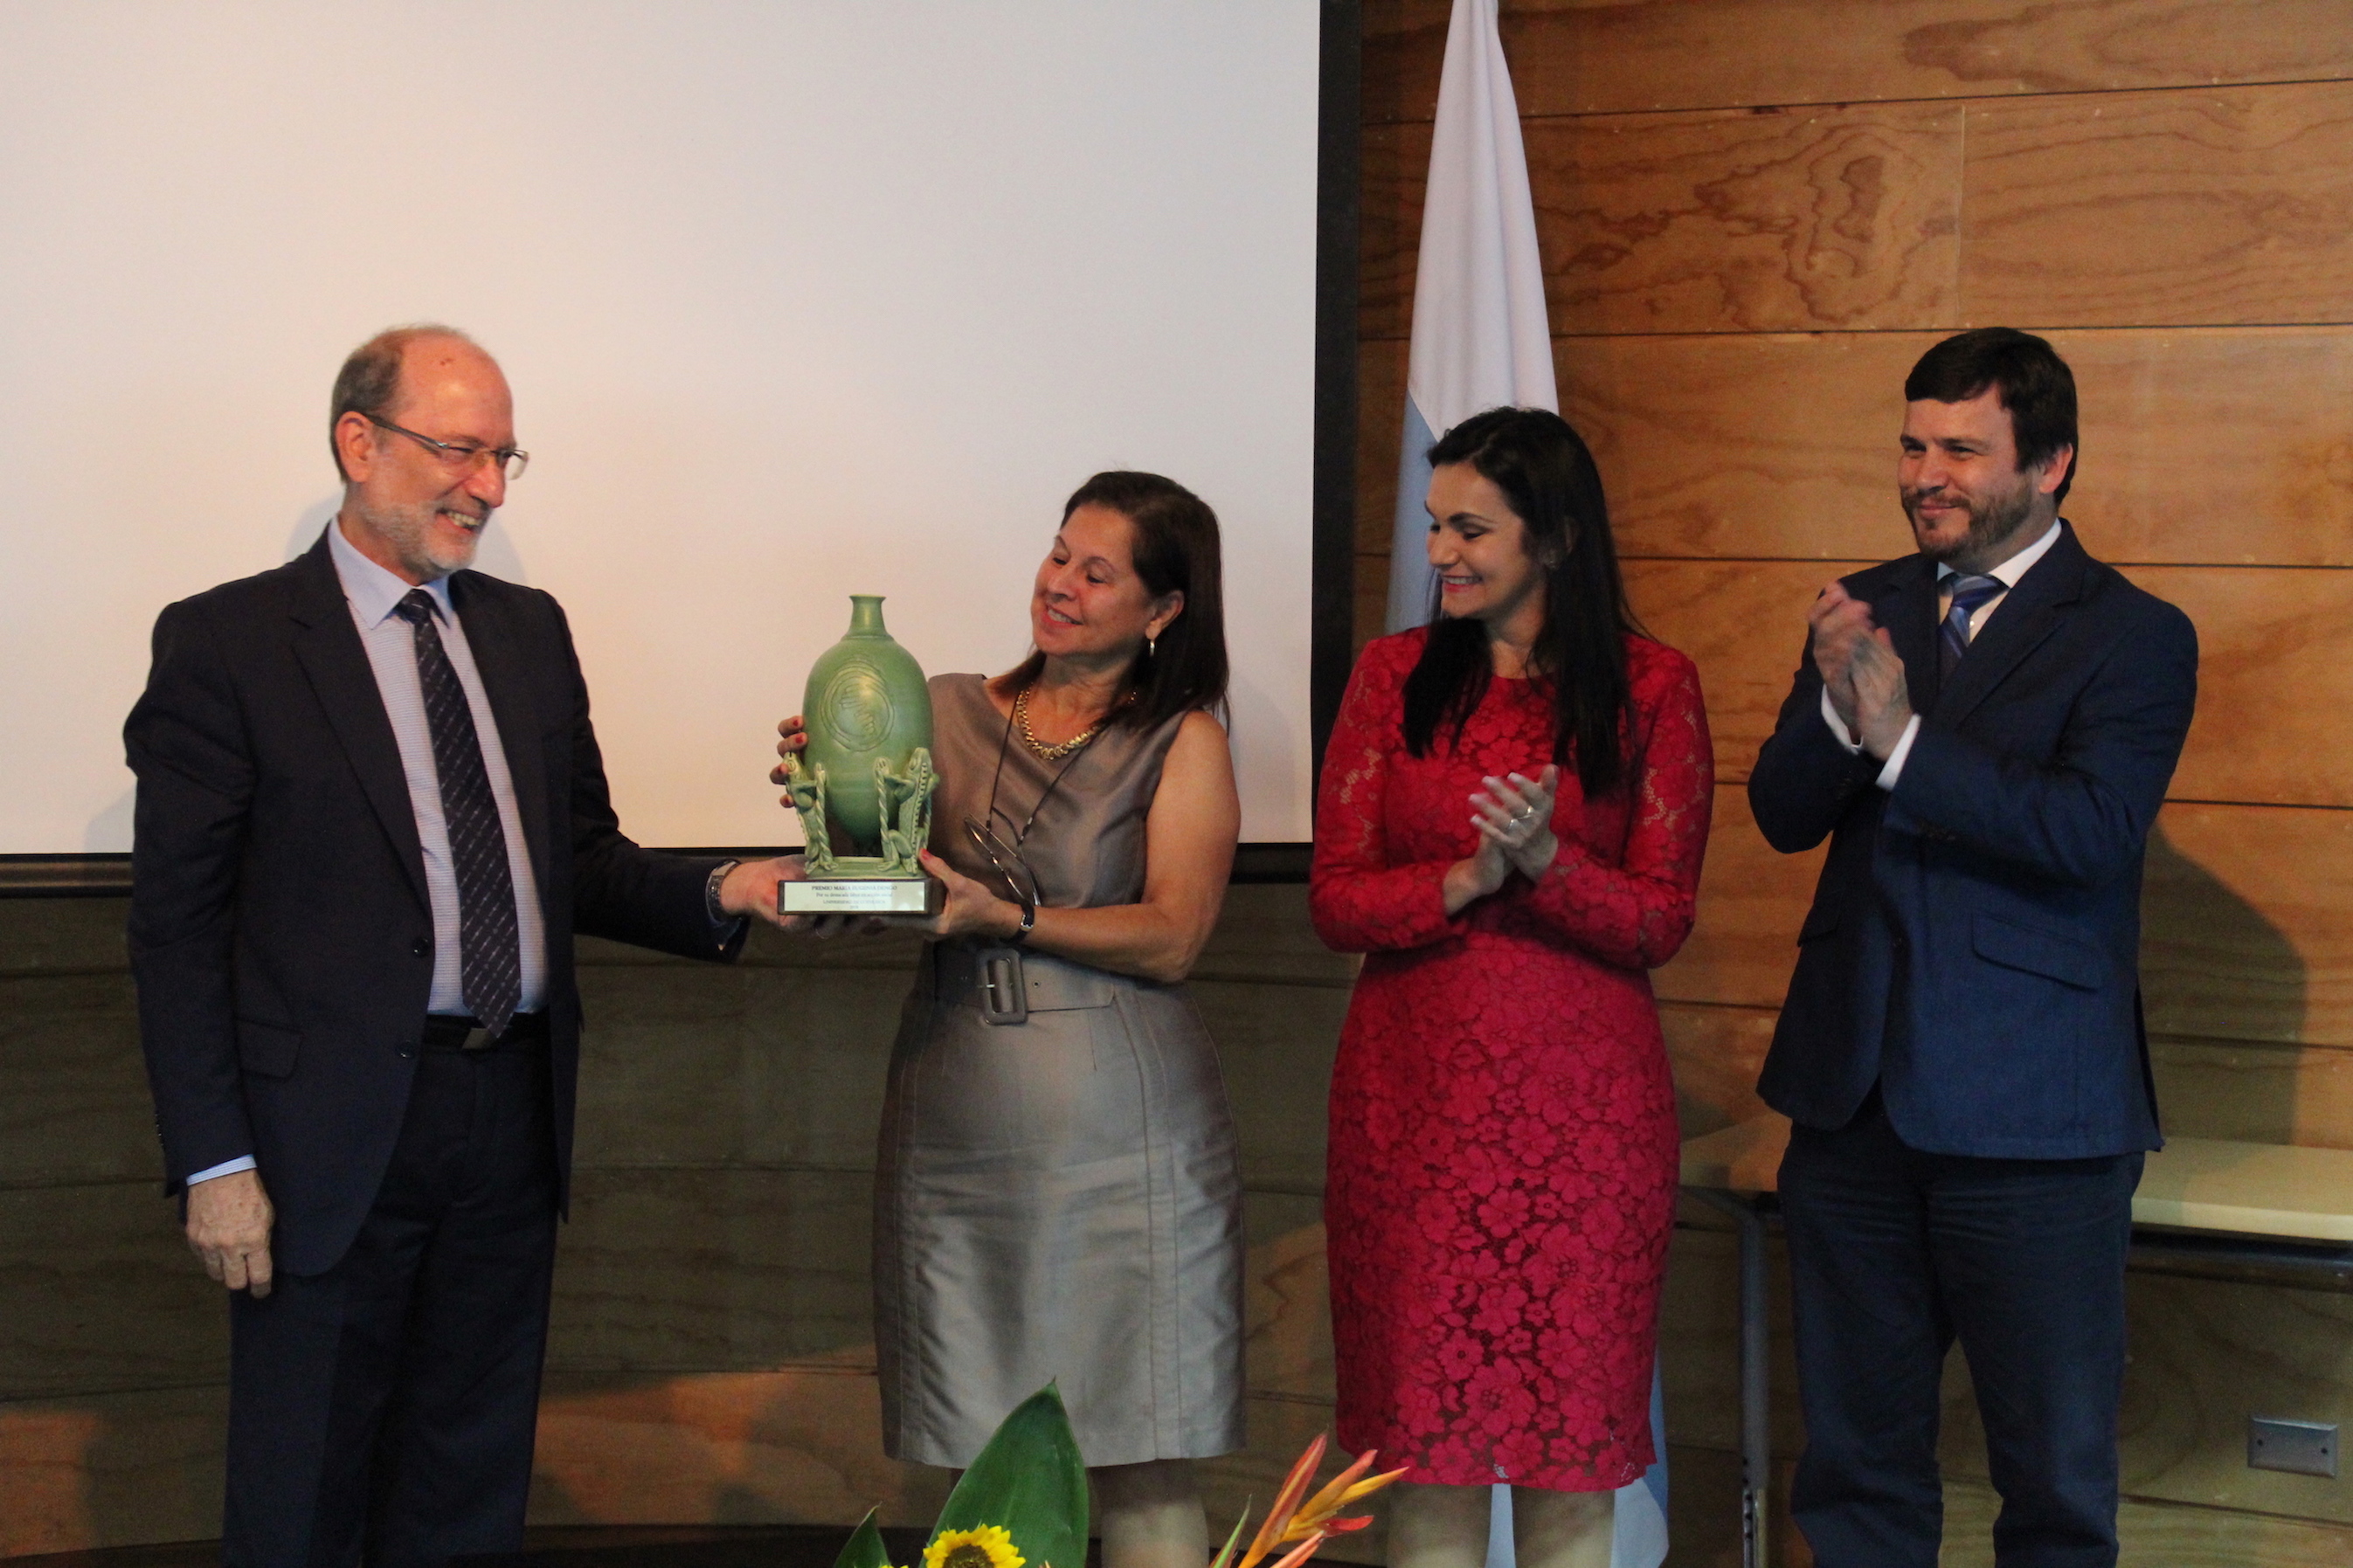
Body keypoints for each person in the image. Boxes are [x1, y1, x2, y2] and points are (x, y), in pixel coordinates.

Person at [124, 326, 795, 1568]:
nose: (486, 487)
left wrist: (730, 886)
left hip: (508, 1116)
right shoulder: (229, 644)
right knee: (303, 1488)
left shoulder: (528, 632)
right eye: (458, 451)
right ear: (358, 442)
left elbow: (580, 857)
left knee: (467, 1482)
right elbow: (176, 928)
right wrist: (213, 1157)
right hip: (321, 1139)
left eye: (502, 456)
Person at [1748, 328, 2199, 1567]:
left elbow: (2089, 831)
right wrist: (1843, 723)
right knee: (1852, 1473)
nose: (1923, 472)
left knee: (2050, 1481)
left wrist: (1899, 741)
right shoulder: (1866, 604)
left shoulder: (2133, 632)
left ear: (2049, 463)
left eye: (1960, 446)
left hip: (2035, 1122)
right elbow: (1781, 812)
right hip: (1852, 1110)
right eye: (1911, 442)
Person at [775, 472, 1243, 1568]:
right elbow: (890, 890)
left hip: (1124, 1133)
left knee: (1139, 1449)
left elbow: (1175, 936)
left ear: (1163, 609)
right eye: (1055, 553)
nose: (1059, 584)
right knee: (978, 1455)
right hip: (954, 1112)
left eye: (1097, 571)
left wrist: (1011, 915)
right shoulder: (935, 707)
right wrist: (830, 804)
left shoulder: (1183, 739)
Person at [1308, 407, 1713, 1568]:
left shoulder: (1652, 686)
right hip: (1413, 1114)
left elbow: (1658, 919)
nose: (1438, 552)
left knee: (1567, 1462)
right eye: (1434, 524)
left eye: (1470, 528)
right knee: (1423, 1459)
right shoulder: (1391, 678)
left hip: (1583, 1129)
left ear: (1556, 538)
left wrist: (1546, 864)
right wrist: (1462, 876)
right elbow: (1336, 900)